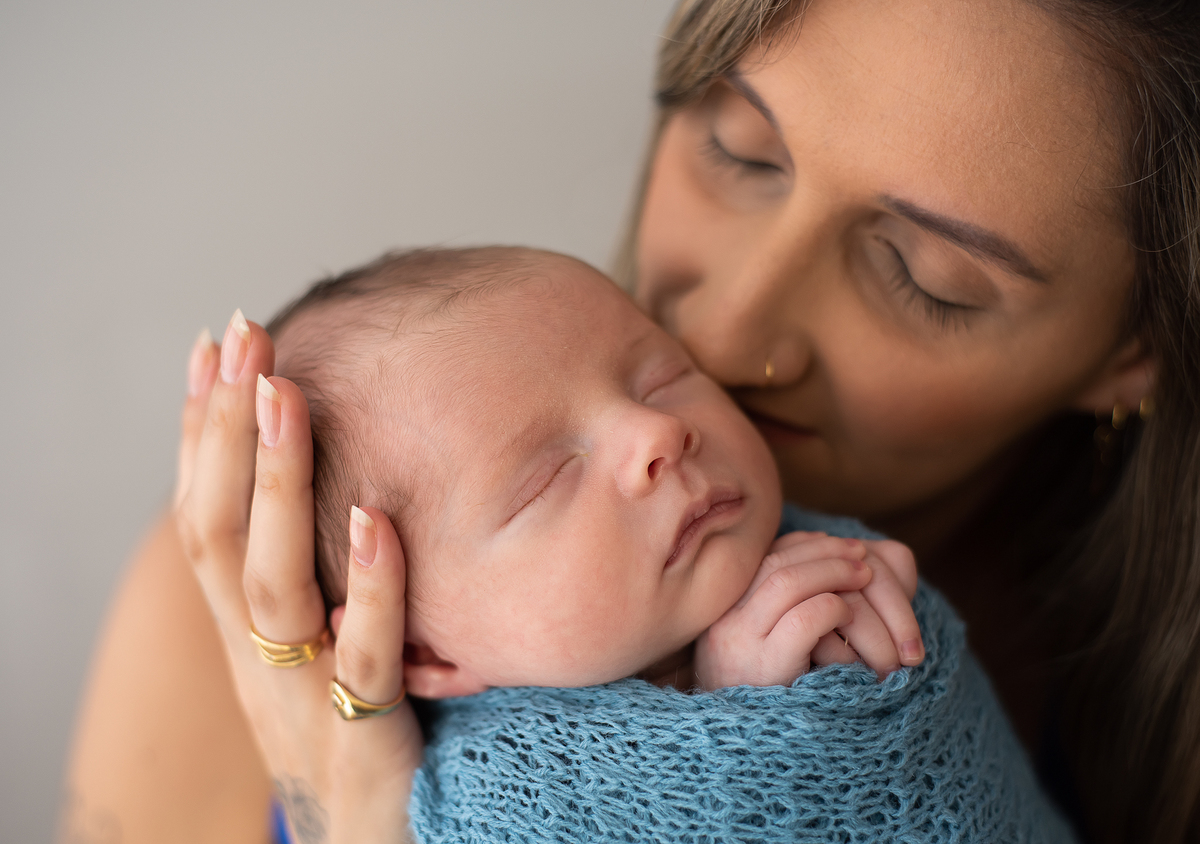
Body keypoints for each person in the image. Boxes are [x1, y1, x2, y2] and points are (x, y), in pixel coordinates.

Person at [62, 1, 1200, 843]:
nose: (729, 330)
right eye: (738, 151)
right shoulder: (268, 612)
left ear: (1130, 352)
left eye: (925, 276)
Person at [260, 244, 1069, 843]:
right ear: (423, 655)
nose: (657, 431)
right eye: (547, 479)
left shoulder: (831, 557)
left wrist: (863, 664)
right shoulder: (488, 799)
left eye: (661, 378)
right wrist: (747, 737)